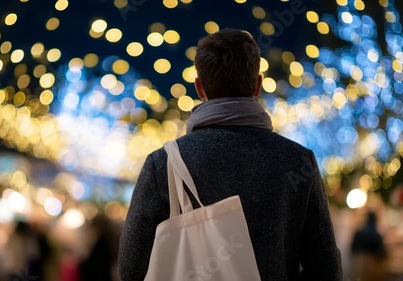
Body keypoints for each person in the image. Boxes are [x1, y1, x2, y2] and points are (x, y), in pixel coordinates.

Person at [118, 28, 342, 281]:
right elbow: (325, 269)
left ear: (199, 87)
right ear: (257, 85)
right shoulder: (298, 160)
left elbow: (131, 268)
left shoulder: (164, 163)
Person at [350, 211, 387, 281]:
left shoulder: (358, 233)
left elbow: (352, 248)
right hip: (371, 263)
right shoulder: (377, 235)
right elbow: (382, 252)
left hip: (358, 262)